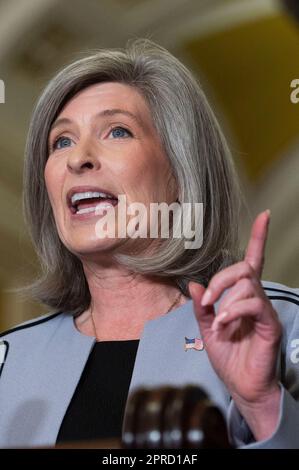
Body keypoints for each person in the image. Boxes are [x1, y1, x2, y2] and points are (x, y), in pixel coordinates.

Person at [0, 38, 298, 449]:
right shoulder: (10, 359)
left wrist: (264, 405)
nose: (77, 158)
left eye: (117, 131)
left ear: (181, 171)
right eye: (61, 141)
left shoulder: (282, 324)